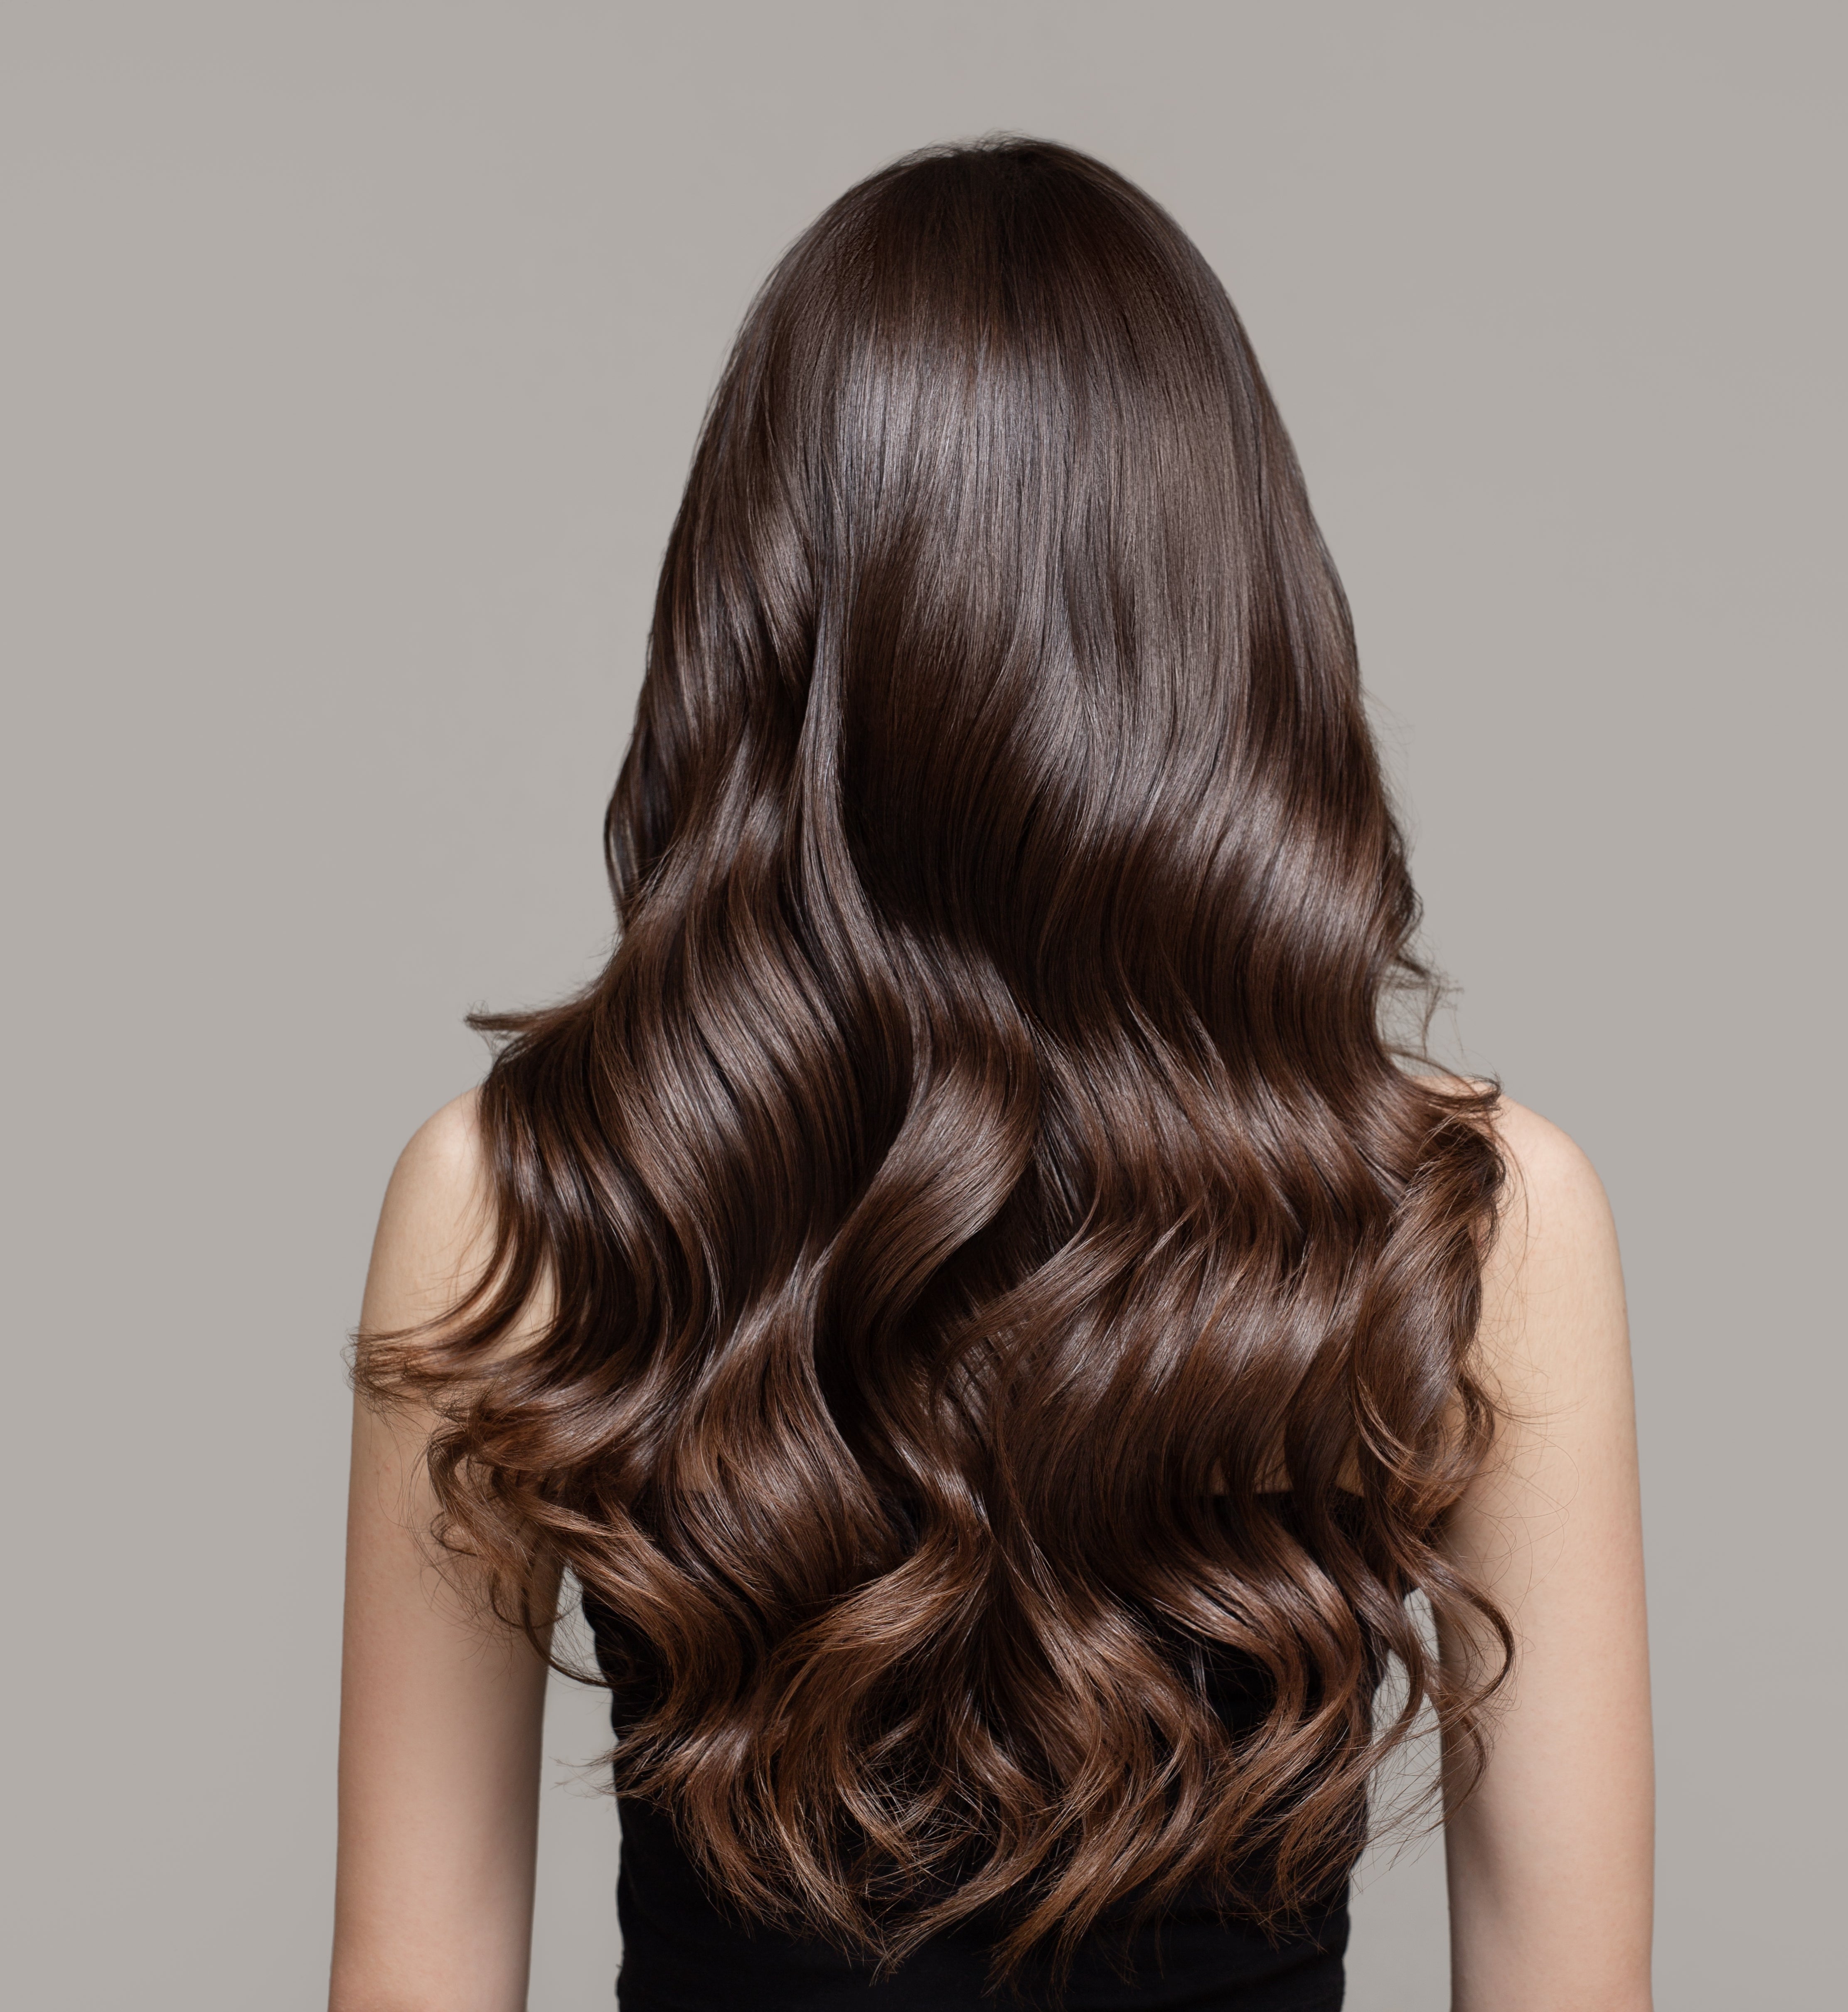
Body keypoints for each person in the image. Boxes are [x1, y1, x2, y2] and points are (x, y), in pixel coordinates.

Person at [330, 138, 1652, 2012]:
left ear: (760, 622)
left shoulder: (517, 1195)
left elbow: (410, 1973)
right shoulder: (1478, 1219)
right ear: (1227, 625)